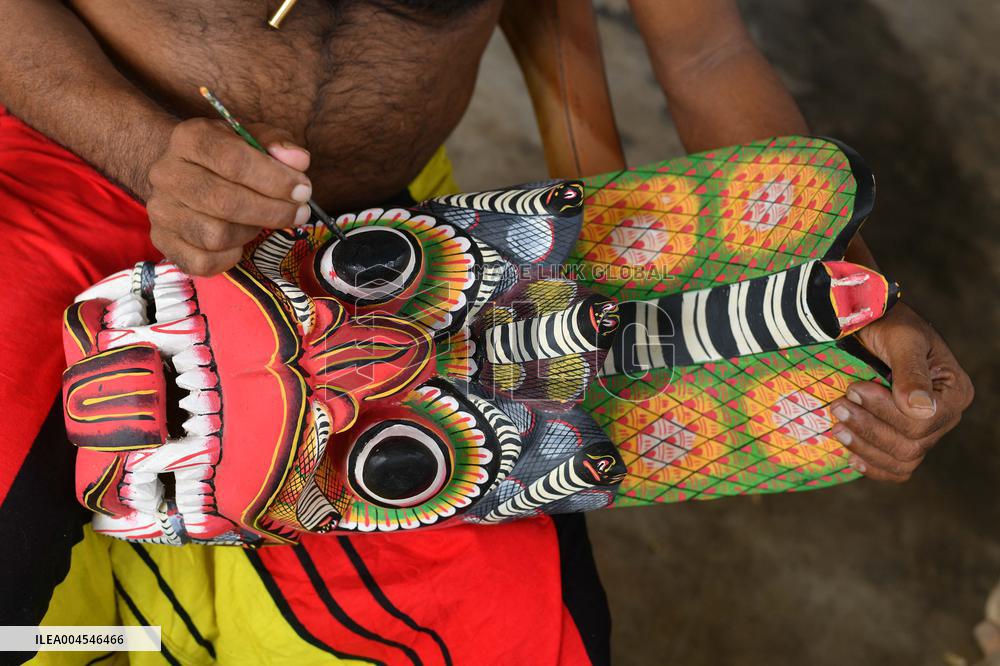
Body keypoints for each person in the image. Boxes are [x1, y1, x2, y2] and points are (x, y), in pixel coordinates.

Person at [0, 0, 974, 663]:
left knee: (510, 633)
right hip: (77, 158)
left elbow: (705, 50)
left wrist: (857, 298)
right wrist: (142, 146)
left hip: (384, 259)